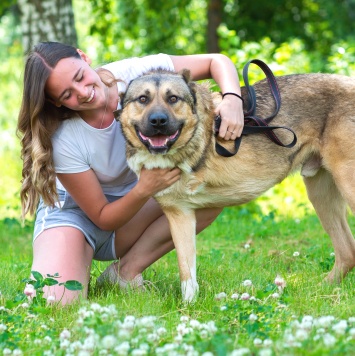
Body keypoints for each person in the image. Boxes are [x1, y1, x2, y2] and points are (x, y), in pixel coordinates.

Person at [17, 41, 244, 304]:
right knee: (54, 303)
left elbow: (216, 61)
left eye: (80, 77)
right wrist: (144, 188)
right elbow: (102, 217)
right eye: (67, 94)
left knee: (210, 191)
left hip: (132, 216)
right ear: (55, 102)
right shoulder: (63, 137)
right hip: (74, 216)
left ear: (84, 56)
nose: (83, 92)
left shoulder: (136, 76)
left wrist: (233, 100)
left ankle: (126, 272)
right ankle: (69, 258)